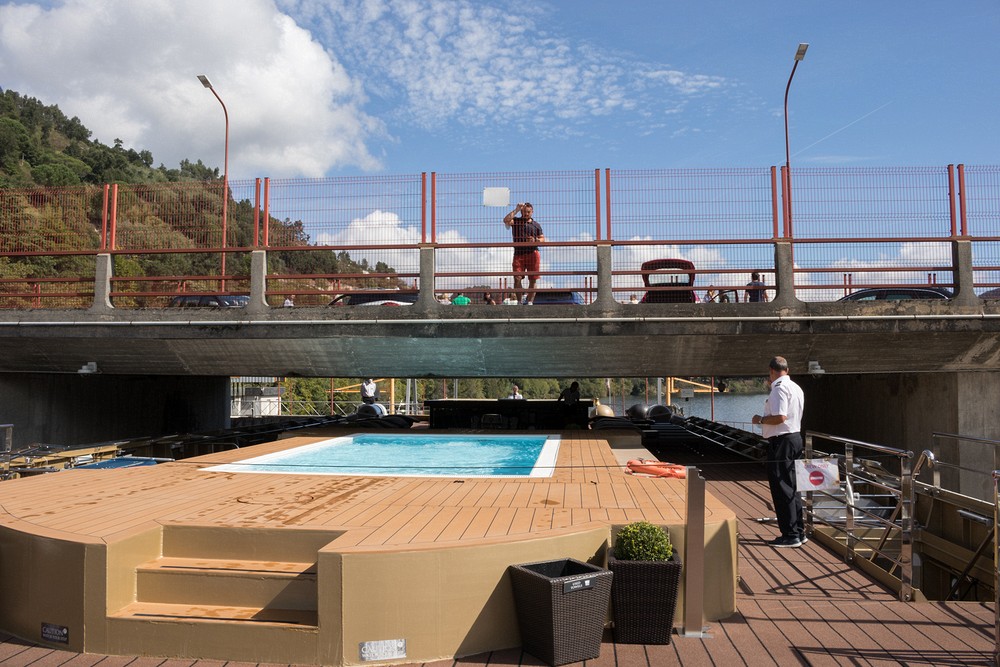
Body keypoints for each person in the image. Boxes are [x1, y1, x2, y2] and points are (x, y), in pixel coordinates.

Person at [751, 356, 806, 548]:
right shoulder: (796, 387)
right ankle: (799, 531)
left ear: (771, 371)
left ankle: (790, 535)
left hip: (782, 441)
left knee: (782, 487)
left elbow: (780, 417)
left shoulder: (779, 389)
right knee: (793, 487)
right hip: (795, 438)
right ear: (787, 370)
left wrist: (760, 420)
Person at [503, 202, 545, 305]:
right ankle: (519, 301)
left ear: (532, 212)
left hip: (533, 253)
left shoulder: (536, 225)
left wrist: (535, 240)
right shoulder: (516, 221)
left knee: (533, 279)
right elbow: (506, 220)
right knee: (517, 278)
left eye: (528, 212)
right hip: (519, 253)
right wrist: (517, 209)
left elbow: (542, 239)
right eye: (524, 212)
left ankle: (530, 302)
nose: (526, 214)